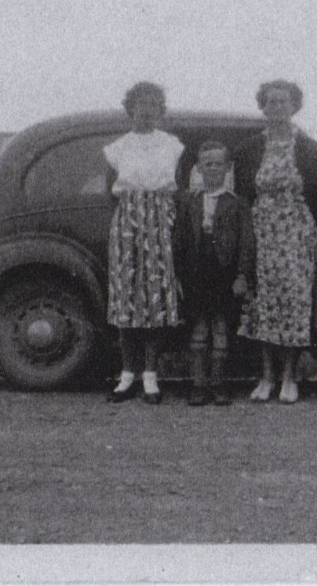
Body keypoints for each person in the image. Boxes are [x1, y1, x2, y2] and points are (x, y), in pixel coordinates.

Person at [234, 80, 317, 403]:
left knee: (295, 303)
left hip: (298, 234)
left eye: (283, 102)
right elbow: (243, 196)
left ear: (294, 106)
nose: (277, 107)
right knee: (263, 304)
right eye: (270, 102)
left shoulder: (309, 148)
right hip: (263, 233)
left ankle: (290, 377)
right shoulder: (250, 149)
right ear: (263, 107)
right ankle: (266, 375)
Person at [104, 81, 184, 405]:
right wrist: (127, 225)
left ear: (160, 110)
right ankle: (126, 375)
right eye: (140, 103)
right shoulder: (116, 148)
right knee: (126, 298)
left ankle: (150, 376)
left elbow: (175, 188)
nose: (146, 110)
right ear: (130, 108)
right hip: (127, 222)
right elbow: (113, 193)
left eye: (153, 104)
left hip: (160, 219)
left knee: (154, 299)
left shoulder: (173, 145)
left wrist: (160, 222)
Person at [174, 140, 256, 406]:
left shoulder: (237, 203)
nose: (213, 169)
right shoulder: (189, 201)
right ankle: (198, 384)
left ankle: (219, 384)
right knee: (198, 330)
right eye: (207, 164)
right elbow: (179, 240)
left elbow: (246, 242)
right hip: (197, 272)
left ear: (228, 168)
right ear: (198, 168)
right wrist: (177, 274)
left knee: (221, 331)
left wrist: (242, 275)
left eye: (218, 164)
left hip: (224, 272)